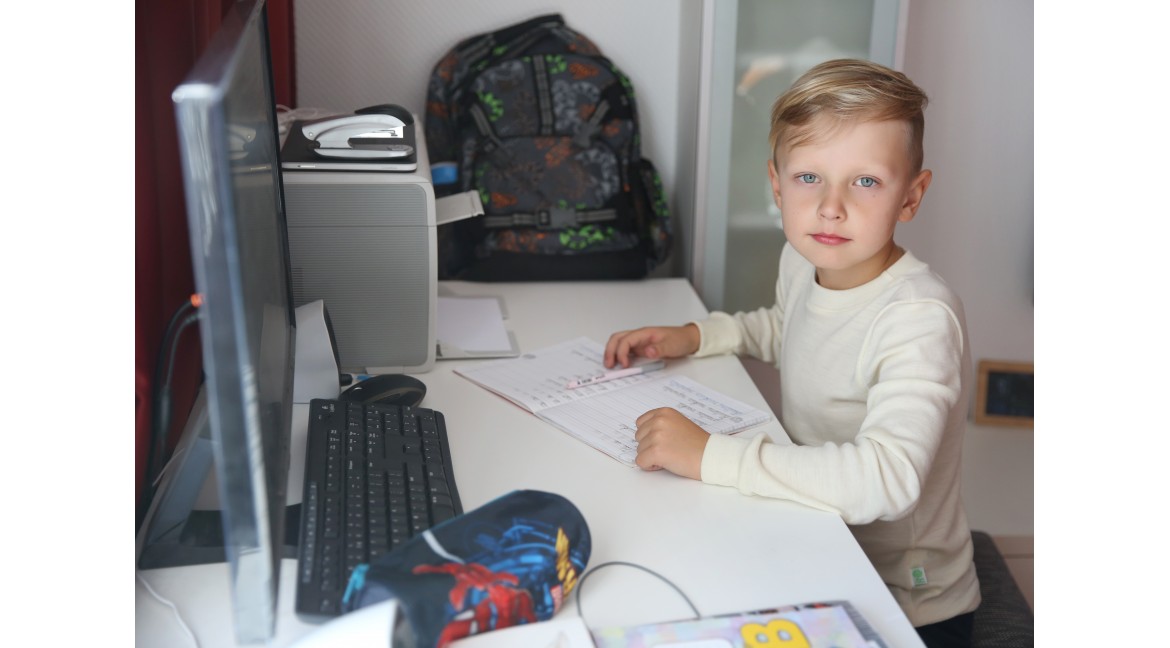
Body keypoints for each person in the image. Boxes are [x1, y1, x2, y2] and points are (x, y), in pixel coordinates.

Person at [603, 59, 980, 648]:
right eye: (809, 178)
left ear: (911, 196)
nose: (831, 206)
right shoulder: (807, 260)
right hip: (816, 538)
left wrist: (711, 456)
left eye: (866, 181)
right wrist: (699, 336)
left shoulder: (917, 317)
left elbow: (888, 480)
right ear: (776, 185)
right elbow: (790, 329)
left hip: (906, 603)